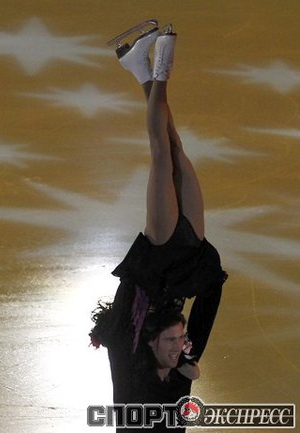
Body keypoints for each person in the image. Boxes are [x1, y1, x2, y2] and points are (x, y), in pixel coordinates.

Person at [89, 22, 228, 431]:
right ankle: (140, 69)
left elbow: (123, 333)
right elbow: (196, 332)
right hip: (187, 268)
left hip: (156, 267)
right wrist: (189, 357)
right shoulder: (176, 380)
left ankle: (162, 68)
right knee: (176, 150)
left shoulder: (130, 370)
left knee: (162, 156)